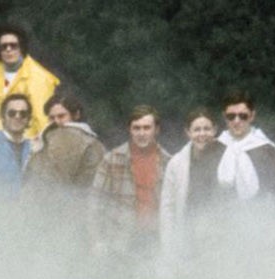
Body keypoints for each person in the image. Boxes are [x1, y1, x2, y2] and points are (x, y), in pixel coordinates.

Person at [90, 105, 169, 256]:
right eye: (136, 128)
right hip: (119, 240)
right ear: (129, 129)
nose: (141, 133)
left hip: (156, 240)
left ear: (156, 129)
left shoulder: (169, 162)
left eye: (147, 128)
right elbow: (96, 203)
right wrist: (98, 240)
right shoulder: (112, 159)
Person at [159, 109, 226, 259]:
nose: (202, 134)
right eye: (197, 130)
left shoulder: (229, 156)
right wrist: (168, 246)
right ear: (188, 132)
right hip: (188, 238)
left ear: (215, 130)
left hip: (222, 238)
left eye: (207, 129)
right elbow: (167, 207)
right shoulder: (176, 163)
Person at [0, 24, 59, 138]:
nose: (8, 49)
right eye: (4, 46)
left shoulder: (38, 77)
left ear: (21, 47)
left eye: (13, 45)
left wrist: (42, 147)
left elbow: (43, 118)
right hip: (0, 143)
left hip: (28, 144)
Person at [22, 94, 104, 201]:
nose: (56, 121)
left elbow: (55, 181)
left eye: (61, 116)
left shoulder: (69, 136)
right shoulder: (90, 139)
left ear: (76, 115)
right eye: (52, 118)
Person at [217, 91, 275, 199]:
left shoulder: (267, 149)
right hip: (219, 212)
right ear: (224, 116)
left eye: (243, 116)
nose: (236, 121)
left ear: (252, 116)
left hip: (259, 212)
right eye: (231, 116)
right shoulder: (216, 147)